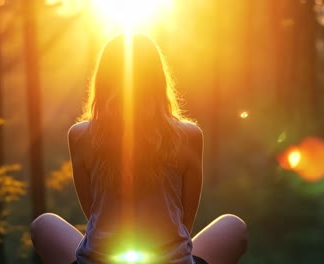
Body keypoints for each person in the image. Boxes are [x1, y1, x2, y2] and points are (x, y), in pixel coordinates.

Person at [30, 34, 248, 264]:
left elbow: (92, 210)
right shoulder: (189, 135)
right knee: (234, 226)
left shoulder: (80, 135)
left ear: (103, 80)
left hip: (100, 260)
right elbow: (185, 220)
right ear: (157, 79)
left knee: (43, 224)